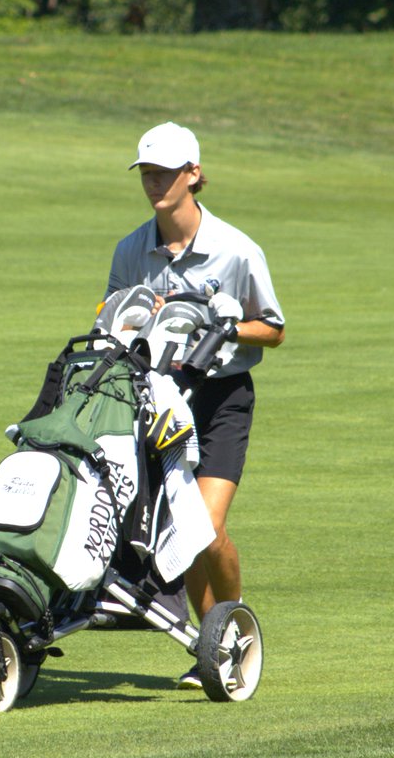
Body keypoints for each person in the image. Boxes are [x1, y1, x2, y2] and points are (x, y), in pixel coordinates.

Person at [104, 121, 286, 689]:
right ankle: (210, 647)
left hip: (220, 397)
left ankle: (232, 629)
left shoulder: (236, 250)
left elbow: (274, 329)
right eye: (147, 173)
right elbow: (111, 316)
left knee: (205, 528)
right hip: (157, 397)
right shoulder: (132, 248)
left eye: (165, 172)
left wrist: (224, 326)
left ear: (194, 175)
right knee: (175, 534)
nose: (154, 182)